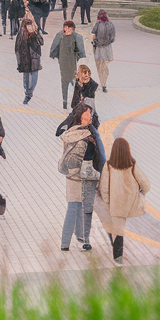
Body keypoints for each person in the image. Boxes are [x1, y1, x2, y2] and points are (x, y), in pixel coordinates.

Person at [95, 137, 150, 267]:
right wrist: (140, 194)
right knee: (118, 228)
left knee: (117, 229)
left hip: (114, 204)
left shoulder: (108, 166)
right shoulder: (132, 166)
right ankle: (117, 254)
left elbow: (104, 187)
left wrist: (107, 202)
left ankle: (117, 257)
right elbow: (145, 184)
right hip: (129, 203)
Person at [59, 103, 104, 252]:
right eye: (88, 113)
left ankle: (79, 236)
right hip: (81, 176)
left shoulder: (73, 131)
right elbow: (80, 157)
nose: (90, 115)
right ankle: (65, 243)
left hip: (72, 176)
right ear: (82, 116)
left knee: (77, 205)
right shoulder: (85, 135)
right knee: (75, 207)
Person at [49, 19, 87, 109]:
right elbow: (54, 47)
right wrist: (54, 56)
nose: (69, 31)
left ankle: (78, 99)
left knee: (75, 81)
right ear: (64, 28)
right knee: (64, 81)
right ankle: (64, 101)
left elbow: (80, 51)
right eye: (67, 29)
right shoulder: (60, 36)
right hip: (63, 63)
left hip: (73, 63)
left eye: (71, 29)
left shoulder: (76, 37)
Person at [15, 15, 43, 104]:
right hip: (25, 59)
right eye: (28, 25)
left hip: (34, 58)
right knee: (26, 78)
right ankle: (27, 93)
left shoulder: (35, 34)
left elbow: (41, 42)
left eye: (31, 25)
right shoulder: (21, 35)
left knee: (34, 77)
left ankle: (30, 92)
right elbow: (17, 49)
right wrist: (19, 61)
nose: (30, 27)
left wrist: (36, 34)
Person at [91, 9, 115, 92]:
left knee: (98, 66)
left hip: (98, 48)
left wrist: (96, 42)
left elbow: (93, 34)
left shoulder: (98, 24)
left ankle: (100, 82)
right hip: (107, 49)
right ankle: (104, 84)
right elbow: (112, 38)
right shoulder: (110, 25)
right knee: (105, 66)